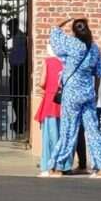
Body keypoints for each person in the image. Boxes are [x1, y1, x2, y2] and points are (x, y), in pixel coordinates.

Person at [55, 17, 101, 177]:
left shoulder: (71, 44)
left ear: (74, 32)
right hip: (88, 93)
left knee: (69, 129)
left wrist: (64, 20)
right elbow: (100, 73)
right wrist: (96, 92)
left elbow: (54, 35)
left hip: (71, 94)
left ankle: (61, 166)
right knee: (92, 130)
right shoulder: (94, 48)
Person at [34, 32, 66, 174]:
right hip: (63, 101)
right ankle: (63, 164)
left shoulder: (48, 62)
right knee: (63, 134)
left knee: (50, 136)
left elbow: (42, 82)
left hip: (50, 100)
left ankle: (49, 164)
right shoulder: (66, 62)